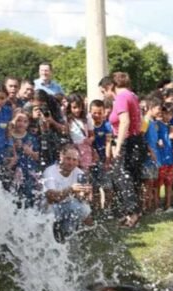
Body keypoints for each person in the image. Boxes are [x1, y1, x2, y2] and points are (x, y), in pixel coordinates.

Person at [99, 73, 144, 227]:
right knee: (130, 177)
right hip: (136, 140)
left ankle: (133, 213)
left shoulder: (121, 97)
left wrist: (118, 145)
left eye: (103, 92)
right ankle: (131, 212)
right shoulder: (132, 95)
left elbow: (125, 121)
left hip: (127, 141)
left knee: (121, 175)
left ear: (110, 87)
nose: (104, 95)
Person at [43, 145, 93, 241]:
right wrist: (71, 189)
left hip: (66, 205)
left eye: (74, 160)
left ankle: (66, 234)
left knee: (83, 208)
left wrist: (85, 194)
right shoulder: (50, 171)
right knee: (51, 212)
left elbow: (83, 199)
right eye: (68, 159)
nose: (71, 163)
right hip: (49, 206)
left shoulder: (79, 173)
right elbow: (52, 198)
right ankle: (47, 237)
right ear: (61, 157)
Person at [7, 109, 41, 207]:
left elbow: (38, 157)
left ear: (28, 123)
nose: (21, 123)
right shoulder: (8, 136)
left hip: (28, 173)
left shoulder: (31, 137)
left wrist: (30, 152)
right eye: (18, 120)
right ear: (13, 121)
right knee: (12, 198)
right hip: (12, 172)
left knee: (28, 199)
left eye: (25, 121)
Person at [89, 99, 114, 210]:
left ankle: (107, 209)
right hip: (91, 160)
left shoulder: (107, 126)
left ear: (104, 112)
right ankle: (97, 209)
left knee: (107, 186)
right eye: (94, 113)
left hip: (104, 159)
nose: (97, 115)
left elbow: (108, 143)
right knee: (94, 187)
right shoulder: (88, 126)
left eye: (100, 113)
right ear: (90, 112)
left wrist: (108, 160)